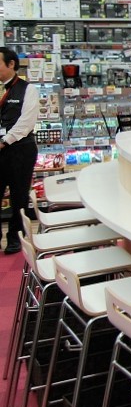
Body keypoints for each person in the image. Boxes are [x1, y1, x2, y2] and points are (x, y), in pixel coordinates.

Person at [0, 48, 40, 254]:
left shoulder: (28, 90)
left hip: (20, 150)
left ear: (11, 64)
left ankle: (15, 238)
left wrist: (4, 141)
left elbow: (26, 123)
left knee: (19, 195)